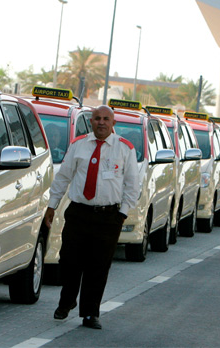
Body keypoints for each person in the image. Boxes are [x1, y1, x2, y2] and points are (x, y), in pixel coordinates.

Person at [44, 105, 139, 330]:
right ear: (91, 122)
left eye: (106, 119)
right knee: (69, 261)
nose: (101, 123)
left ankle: (90, 313)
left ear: (113, 123)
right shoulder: (78, 145)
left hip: (108, 217)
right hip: (79, 213)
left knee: (98, 266)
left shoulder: (125, 149)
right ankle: (66, 302)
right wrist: (52, 205)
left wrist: (122, 214)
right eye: (97, 119)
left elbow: (132, 185)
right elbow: (63, 177)